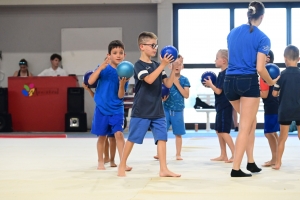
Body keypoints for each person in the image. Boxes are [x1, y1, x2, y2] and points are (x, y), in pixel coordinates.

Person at [224, 1, 279, 177]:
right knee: (246, 126)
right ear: (261, 17)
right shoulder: (263, 38)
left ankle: (251, 162)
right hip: (247, 82)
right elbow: (261, 68)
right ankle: (236, 169)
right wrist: (271, 83)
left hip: (229, 82)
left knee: (251, 123)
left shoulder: (232, 33)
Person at [118, 31, 180, 177]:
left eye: (156, 45)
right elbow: (150, 80)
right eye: (152, 45)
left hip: (157, 109)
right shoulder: (138, 66)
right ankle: (121, 165)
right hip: (142, 109)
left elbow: (168, 84)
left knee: (162, 138)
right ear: (142, 47)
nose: (155, 48)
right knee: (133, 138)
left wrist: (172, 70)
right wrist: (163, 65)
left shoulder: (157, 65)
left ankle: (163, 169)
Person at [87, 40, 131, 171]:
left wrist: (122, 84)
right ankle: (100, 161)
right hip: (102, 108)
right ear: (109, 55)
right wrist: (100, 67)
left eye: (121, 53)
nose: (118, 55)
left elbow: (120, 96)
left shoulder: (125, 71)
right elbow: (90, 81)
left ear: (125, 55)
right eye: (115, 53)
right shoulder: (103, 69)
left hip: (117, 108)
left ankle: (123, 162)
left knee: (119, 134)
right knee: (102, 136)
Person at [154, 54, 190, 161]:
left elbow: (186, 95)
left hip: (178, 110)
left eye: (179, 64)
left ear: (182, 66)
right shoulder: (165, 79)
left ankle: (178, 154)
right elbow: (160, 94)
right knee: (162, 131)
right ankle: (159, 153)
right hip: (165, 109)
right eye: (174, 64)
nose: (177, 66)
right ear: (169, 66)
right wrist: (162, 99)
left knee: (178, 133)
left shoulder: (184, 80)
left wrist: (177, 83)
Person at [203, 49, 234, 163]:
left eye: (217, 58)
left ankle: (235, 153)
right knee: (218, 130)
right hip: (220, 106)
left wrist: (211, 84)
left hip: (225, 106)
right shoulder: (222, 73)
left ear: (224, 61)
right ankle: (223, 154)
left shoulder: (225, 74)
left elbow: (219, 91)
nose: (215, 60)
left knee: (224, 131)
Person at [272, 44, 300, 170]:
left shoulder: (282, 75)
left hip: (285, 109)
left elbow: (274, 93)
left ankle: (278, 163)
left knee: (282, 138)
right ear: (298, 59)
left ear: (285, 59)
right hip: (299, 108)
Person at [82, 82, 117, 167]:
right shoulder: (100, 85)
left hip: (113, 111)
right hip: (102, 112)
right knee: (103, 136)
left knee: (112, 138)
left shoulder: (112, 85)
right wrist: (88, 89)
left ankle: (112, 159)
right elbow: (96, 97)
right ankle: (106, 157)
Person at [259, 50, 279, 167]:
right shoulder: (274, 71)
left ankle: (274, 159)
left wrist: (254, 90)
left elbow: (264, 94)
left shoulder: (264, 73)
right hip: (275, 105)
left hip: (271, 106)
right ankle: (276, 158)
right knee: (273, 133)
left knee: (269, 133)